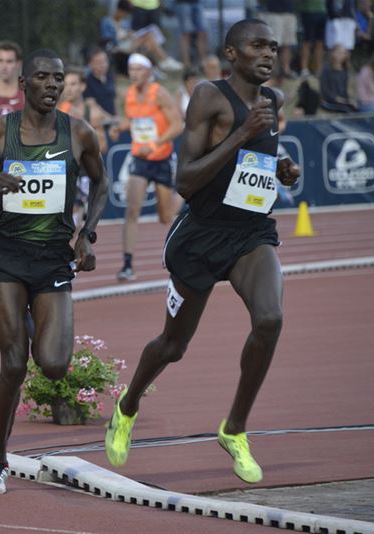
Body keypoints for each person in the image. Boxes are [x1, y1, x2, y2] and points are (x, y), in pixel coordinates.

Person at [104, 19, 301, 485]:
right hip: (201, 236)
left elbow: (257, 159)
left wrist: (282, 167)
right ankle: (127, 405)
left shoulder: (274, 101)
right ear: (232, 53)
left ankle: (234, 429)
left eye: (273, 47)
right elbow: (186, 181)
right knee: (173, 346)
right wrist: (241, 133)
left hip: (251, 233)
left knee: (270, 319)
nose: (269, 54)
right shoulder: (210, 97)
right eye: (258, 46)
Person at [0, 49, 108, 494]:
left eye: (58, 78)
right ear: (23, 83)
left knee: (54, 366)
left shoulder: (79, 133)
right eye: (42, 77)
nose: (52, 85)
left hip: (54, 256)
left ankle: (36, 318)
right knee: (14, 364)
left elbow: (101, 181)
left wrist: (86, 234)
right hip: (7, 259)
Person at [117, 53, 184, 281]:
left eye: (139, 69)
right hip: (140, 159)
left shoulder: (160, 93)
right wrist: (121, 127)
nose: (134, 74)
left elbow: (177, 125)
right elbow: (135, 121)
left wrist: (154, 144)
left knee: (166, 217)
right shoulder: (128, 95)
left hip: (161, 158)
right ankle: (127, 264)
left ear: (148, 71)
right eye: (131, 69)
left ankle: (186, 194)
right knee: (132, 209)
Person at [259, 0, 298, 78]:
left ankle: (286, 70)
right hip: (274, 13)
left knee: (288, 44)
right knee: (273, 44)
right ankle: (273, 70)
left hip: (290, 12)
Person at [320, 45, 359, 112]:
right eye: (339, 52)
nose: (341, 55)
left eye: (343, 53)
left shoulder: (345, 70)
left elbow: (345, 91)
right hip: (329, 101)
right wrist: (340, 100)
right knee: (348, 110)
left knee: (359, 107)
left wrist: (350, 100)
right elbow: (325, 91)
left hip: (343, 101)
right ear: (333, 53)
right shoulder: (326, 69)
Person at [174, 0, 207, 70]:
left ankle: (203, 63)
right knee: (186, 34)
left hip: (197, 2)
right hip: (183, 3)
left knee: (202, 32)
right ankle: (187, 64)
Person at [298, 0, 327, 76]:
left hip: (322, 12)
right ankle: (304, 69)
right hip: (308, 12)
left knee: (320, 43)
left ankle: (319, 70)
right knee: (307, 42)